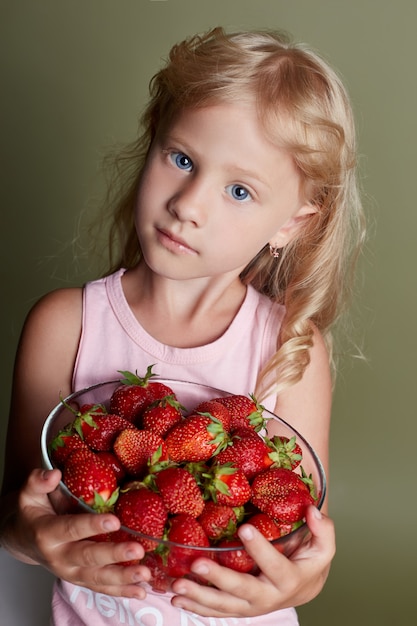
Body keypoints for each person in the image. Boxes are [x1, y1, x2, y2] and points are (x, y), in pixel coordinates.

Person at [0, 26, 364, 625]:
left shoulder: (289, 351)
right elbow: (16, 519)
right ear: (151, 144)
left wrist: (291, 588)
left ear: (292, 224)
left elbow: (304, 551)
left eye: (240, 190)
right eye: (182, 159)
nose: (189, 204)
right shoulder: (65, 325)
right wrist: (34, 536)